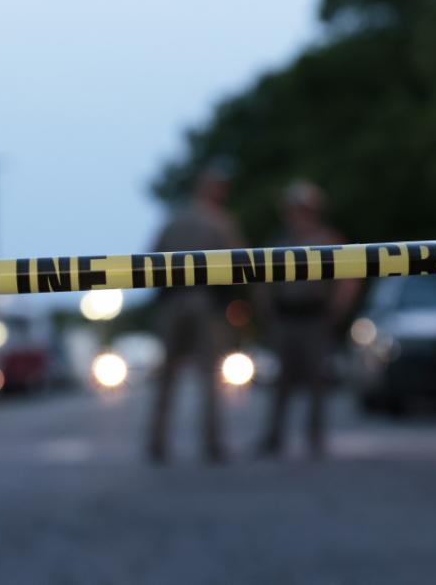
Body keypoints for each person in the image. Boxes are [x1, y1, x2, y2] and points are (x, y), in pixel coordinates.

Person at [147, 163, 245, 464]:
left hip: (173, 301)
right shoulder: (222, 222)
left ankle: (157, 442)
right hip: (206, 302)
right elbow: (239, 265)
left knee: (168, 377)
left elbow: (151, 261)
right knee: (208, 377)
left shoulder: (173, 220)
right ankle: (212, 442)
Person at [256, 180, 360, 459]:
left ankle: (315, 438)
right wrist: (267, 310)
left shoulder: (328, 240)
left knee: (317, 379)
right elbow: (262, 281)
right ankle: (274, 437)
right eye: (293, 209)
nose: (297, 214)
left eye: (302, 209)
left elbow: (349, 277)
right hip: (287, 317)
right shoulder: (280, 242)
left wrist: (336, 310)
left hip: (315, 317)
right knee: (282, 381)